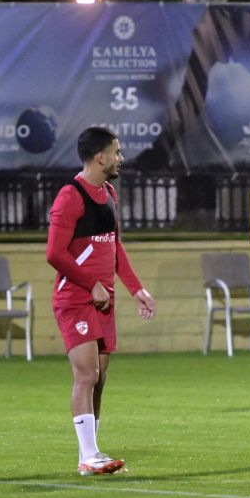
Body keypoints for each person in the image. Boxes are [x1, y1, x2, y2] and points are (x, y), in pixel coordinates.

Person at [46, 126, 155, 477]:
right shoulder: (70, 195)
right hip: (75, 298)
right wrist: (90, 284)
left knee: (100, 377)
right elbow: (54, 253)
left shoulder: (108, 192)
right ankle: (89, 456)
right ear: (100, 156)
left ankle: (90, 454)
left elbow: (114, 245)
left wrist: (135, 288)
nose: (121, 158)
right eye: (117, 152)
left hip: (102, 300)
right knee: (87, 374)